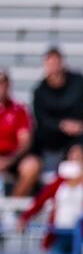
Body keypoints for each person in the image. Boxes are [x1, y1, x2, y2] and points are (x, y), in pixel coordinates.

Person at [31, 48, 83, 161]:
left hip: (82, 129)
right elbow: (41, 119)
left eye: (56, 63)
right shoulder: (40, 91)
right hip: (55, 134)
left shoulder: (79, 81)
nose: (54, 68)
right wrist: (62, 125)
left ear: (62, 63)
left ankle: (81, 170)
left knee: (80, 147)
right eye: (50, 64)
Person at [0, 70, 40, 198]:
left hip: (13, 158)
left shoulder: (19, 110)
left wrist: (9, 160)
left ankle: (12, 208)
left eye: (3, 84)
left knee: (32, 166)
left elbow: (24, 141)